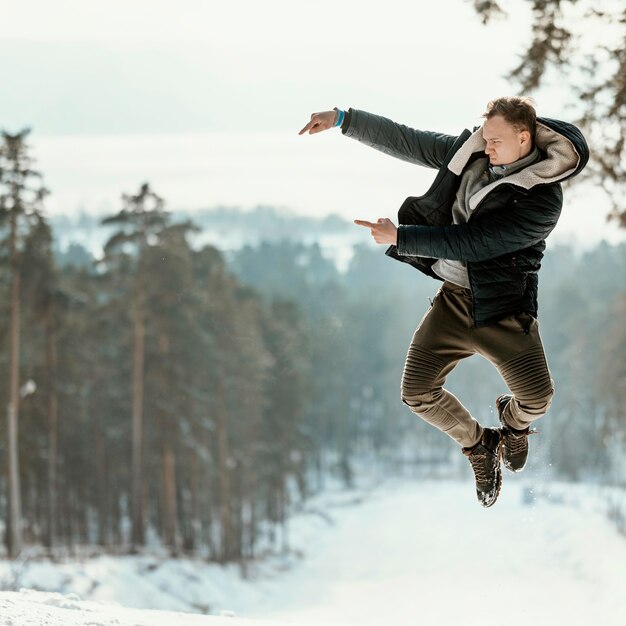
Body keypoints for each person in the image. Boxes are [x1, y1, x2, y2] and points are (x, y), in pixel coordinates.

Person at [298, 98, 589, 507]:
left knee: (537, 399)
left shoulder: (543, 199)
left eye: (496, 141)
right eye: (484, 137)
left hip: (502, 310)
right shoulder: (472, 155)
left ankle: (513, 426)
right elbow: (411, 142)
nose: (486, 148)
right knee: (417, 392)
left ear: (524, 138)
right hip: (453, 302)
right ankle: (481, 445)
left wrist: (403, 237)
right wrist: (344, 120)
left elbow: (478, 244)